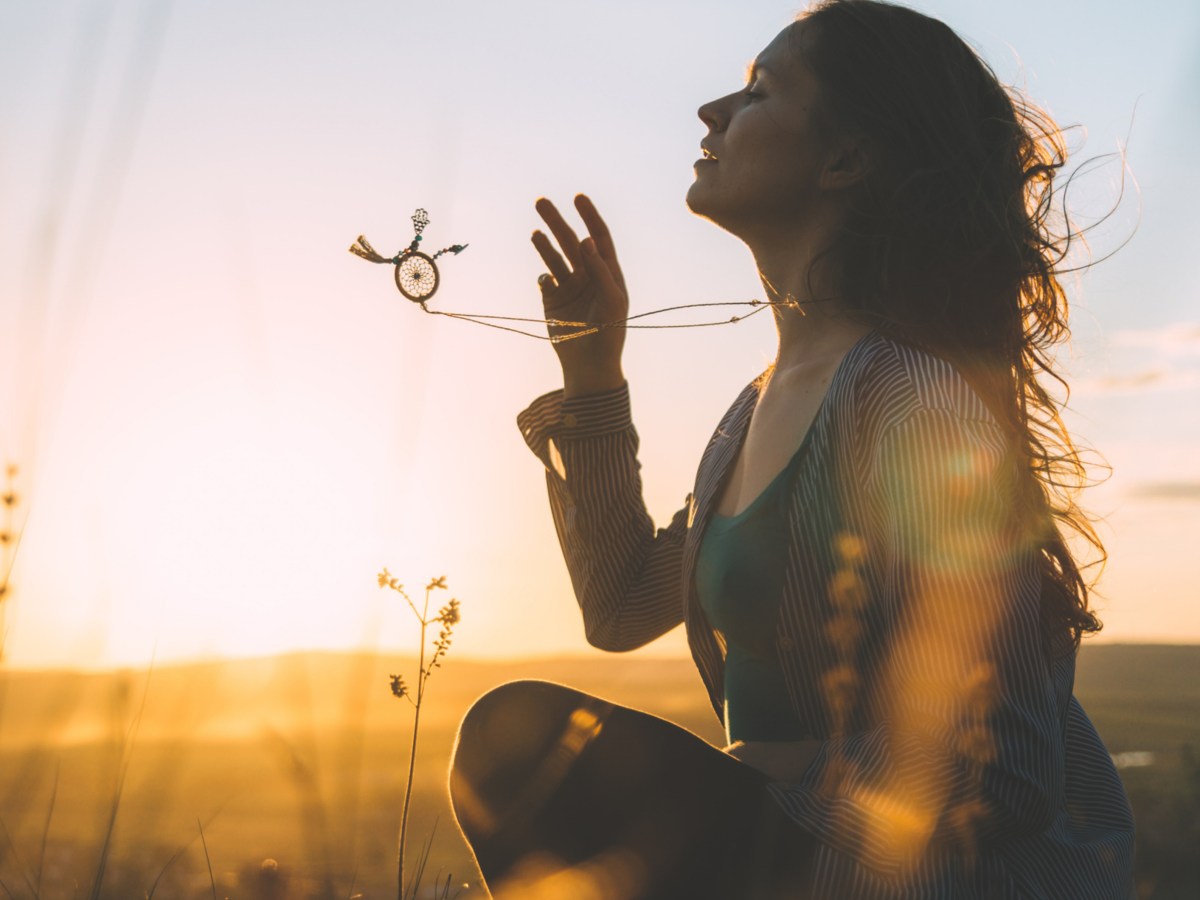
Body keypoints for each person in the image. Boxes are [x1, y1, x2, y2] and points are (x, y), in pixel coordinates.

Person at [449, 1, 1135, 897]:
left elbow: (1003, 772)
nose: (711, 115)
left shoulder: (911, 403)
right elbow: (618, 607)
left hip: (909, 877)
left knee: (532, 738)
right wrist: (592, 382)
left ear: (845, 160)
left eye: (758, 92)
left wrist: (769, 781)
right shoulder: (754, 410)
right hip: (793, 850)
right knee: (515, 746)